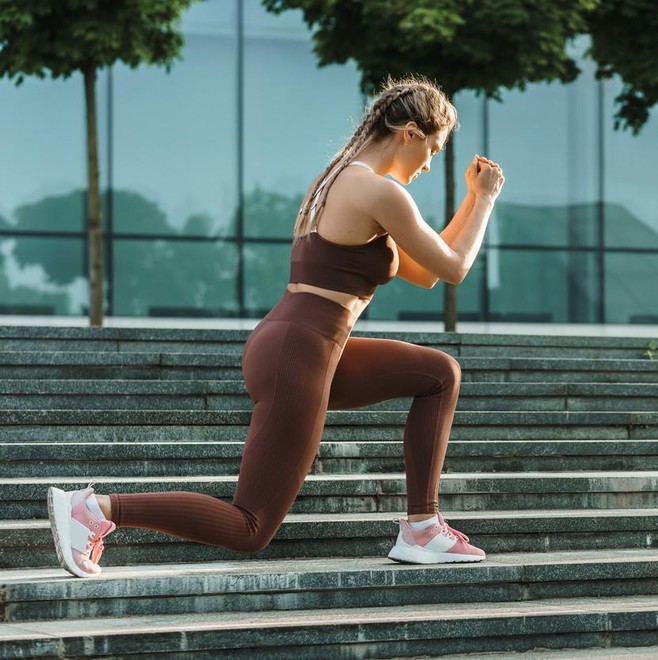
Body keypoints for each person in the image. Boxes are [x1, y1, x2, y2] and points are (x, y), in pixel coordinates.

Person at [47, 75, 505, 578]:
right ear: (411, 133)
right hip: (300, 352)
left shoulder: (337, 179)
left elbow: (425, 272)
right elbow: (455, 268)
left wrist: (470, 198)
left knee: (438, 373)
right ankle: (92, 510)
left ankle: (422, 528)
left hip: (301, 343)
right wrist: (483, 199)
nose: (428, 164)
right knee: (251, 525)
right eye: (433, 150)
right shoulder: (379, 192)